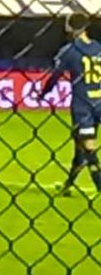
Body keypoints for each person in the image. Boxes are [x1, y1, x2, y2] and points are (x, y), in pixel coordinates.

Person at [39, 13, 101, 198]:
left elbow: (55, 76)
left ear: (69, 28)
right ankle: (68, 185)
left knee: (88, 146)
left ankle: (99, 185)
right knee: (80, 147)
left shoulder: (69, 50)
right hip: (99, 100)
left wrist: (44, 93)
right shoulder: (99, 48)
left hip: (83, 106)